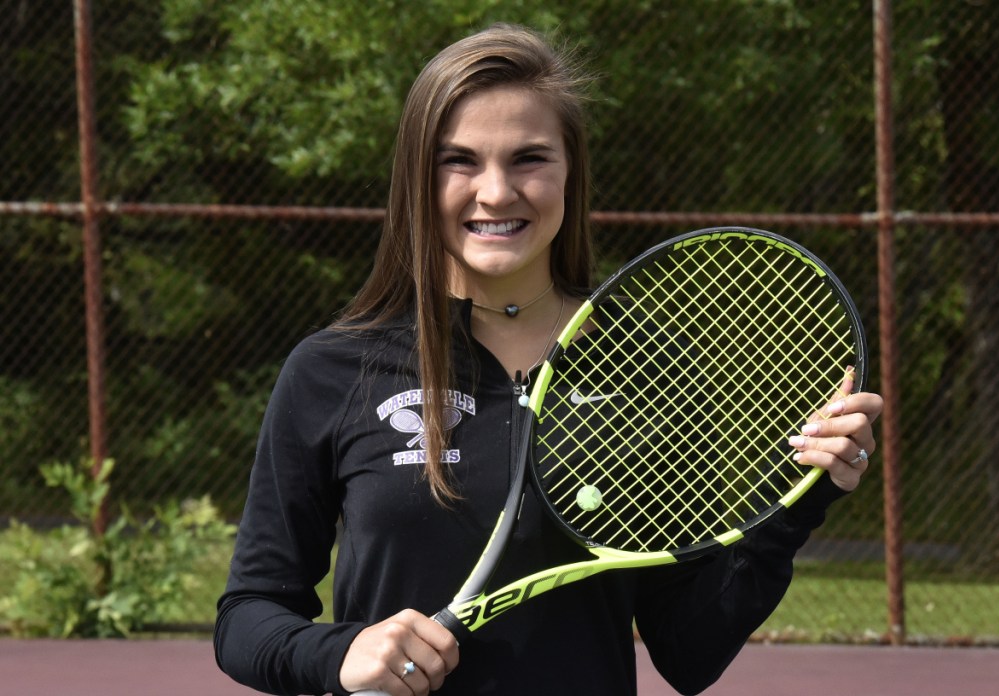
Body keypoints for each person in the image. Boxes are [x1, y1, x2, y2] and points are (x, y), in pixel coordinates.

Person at [214, 23, 884, 696]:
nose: (497, 192)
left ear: (571, 172)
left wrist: (800, 497)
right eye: (460, 161)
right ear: (417, 177)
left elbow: (688, 649)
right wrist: (341, 651)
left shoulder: (648, 367)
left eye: (529, 158)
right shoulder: (331, 370)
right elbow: (248, 617)